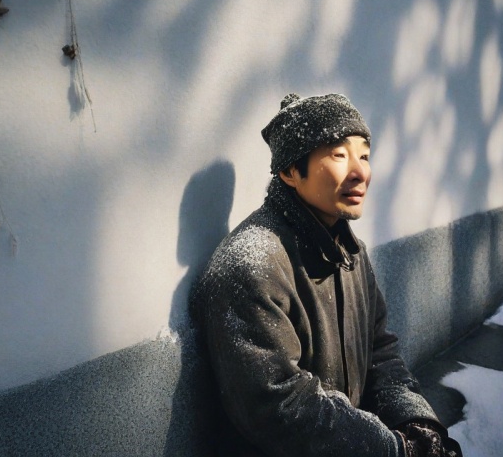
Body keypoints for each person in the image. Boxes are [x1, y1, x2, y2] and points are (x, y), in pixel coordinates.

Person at [192, 93, 462, 456]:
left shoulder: (350, 253)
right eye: (339, 155)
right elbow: (279, 407)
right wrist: (392, 449)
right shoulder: (251, 266)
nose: (360, 171)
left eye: (364, 155)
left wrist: (416, 423)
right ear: (290, 171)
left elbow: (379, 351)